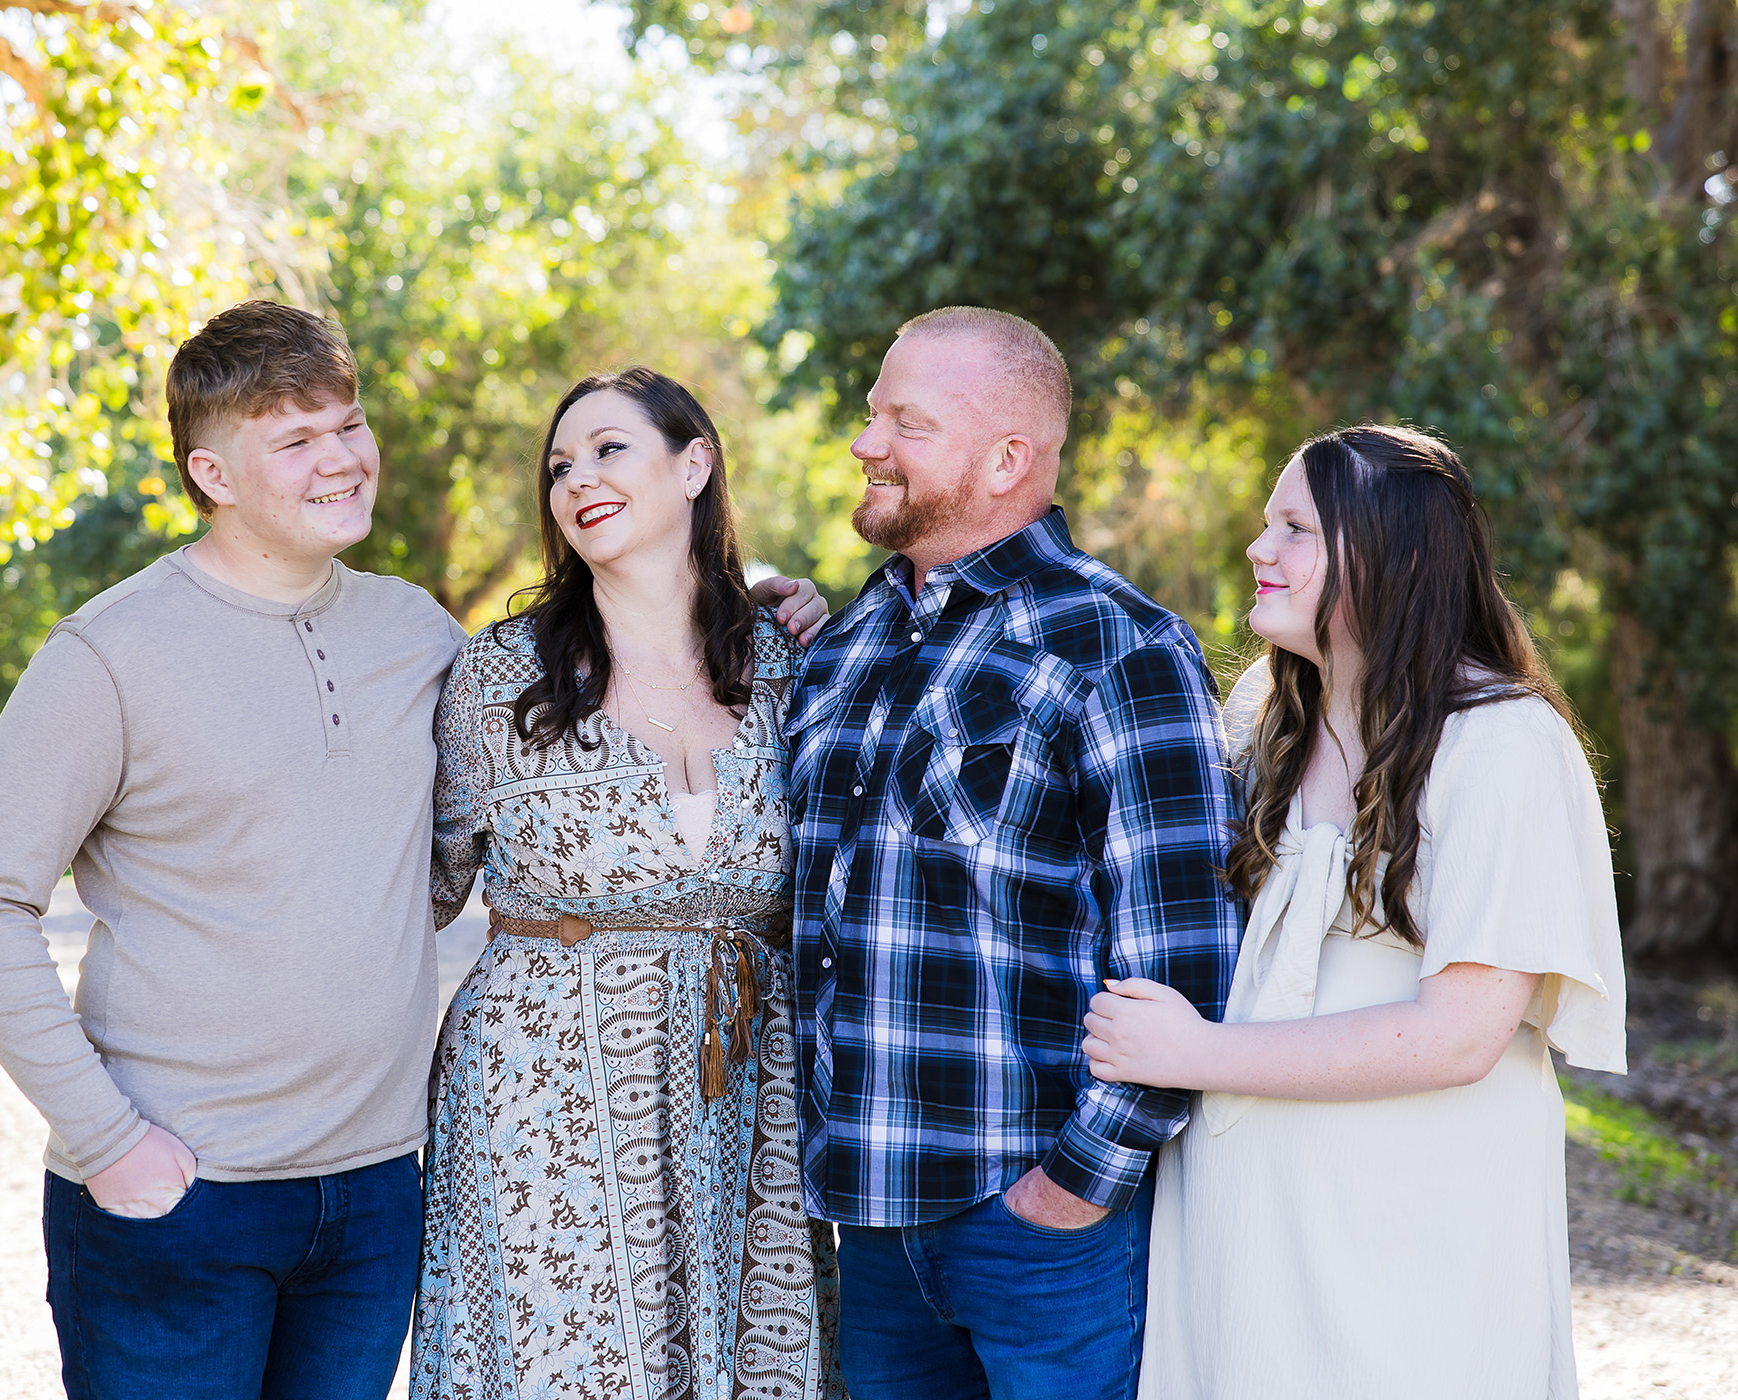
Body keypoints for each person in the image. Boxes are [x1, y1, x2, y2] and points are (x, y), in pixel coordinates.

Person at [0, 303, 825, 1400]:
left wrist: (757, 589)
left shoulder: (419, 638)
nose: (341, 459)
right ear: (211, 472)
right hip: (183, 1188)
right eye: (294, 441)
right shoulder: (108, 653)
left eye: (347, 424)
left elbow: (627, 640)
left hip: (374, 1188)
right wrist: (110, 1139)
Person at [1083, 425, 1627, 1400]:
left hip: (1408, 1224)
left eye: (1294, 526)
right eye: (1264, 522)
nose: (1260, 549)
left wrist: (1192, 1052)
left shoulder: (1501, 741)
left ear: (1398, 553)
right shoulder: (1268, 711)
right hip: (1246, 1219)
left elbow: (1459, 1034)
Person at [785, 306, 1244, 1400]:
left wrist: (1072, 1186)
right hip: (871, 1222)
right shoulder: (843, 647)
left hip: (1038, 1227)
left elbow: (1185, 950)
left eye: (908, 420)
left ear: (1006, 458)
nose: (866, 442)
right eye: (870, 413)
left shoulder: (1118, 643)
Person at [415, 367, 842, 1400]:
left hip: (751, 1082)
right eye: (561, 465)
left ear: (695, 463)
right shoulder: (496, 676)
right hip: (544, 1086)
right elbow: (416, 886)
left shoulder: (797, 661)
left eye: (610, 448)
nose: (577, 479)